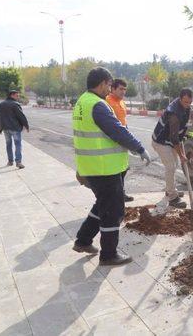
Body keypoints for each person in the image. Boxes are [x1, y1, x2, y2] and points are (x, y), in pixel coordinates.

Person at [72, 67, 151, 266]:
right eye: (108, 84)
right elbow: (117, 130)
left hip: (91, 167)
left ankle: (83, 240)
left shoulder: (82, 101)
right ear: (101, 84)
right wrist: (139, 147)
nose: (109, 89)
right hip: (105, 168)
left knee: (102, 205)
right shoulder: (98, 105)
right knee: (113, 211)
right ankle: (108, 255)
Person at [151, 89, 191, 211]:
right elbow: (174, 139)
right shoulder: (174, 114)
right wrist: (182, 155)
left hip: (169, 141)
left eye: (189, 102)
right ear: (179, 98)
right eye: (185, 102)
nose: (187, 105)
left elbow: (181, 130)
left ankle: (171, 190)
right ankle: (172, 198)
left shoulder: (185, 107)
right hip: (161, 142)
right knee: (171, 166)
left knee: (174, 165)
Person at [106, 78, 134, 202]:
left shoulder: (122, 102)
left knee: (123, 168)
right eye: (121, 89)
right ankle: (115, 195)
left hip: (122, 138)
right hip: (112, 141)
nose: (123, 92)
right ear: (113, 89)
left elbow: (123, 121)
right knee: (116, 171)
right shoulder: (107, 102)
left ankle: (121, 194)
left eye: (124, 89)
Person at [0, 89, 29, 169]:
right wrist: (26, 125)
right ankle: (18, 162)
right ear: (12, 95)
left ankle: (10, 161)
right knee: (18, 145)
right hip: (15, 128)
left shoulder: (1, 104)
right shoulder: (15, 104)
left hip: (5, 128)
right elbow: (21, 116)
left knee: (8, 144)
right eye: (17, 95)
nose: (18, 97)